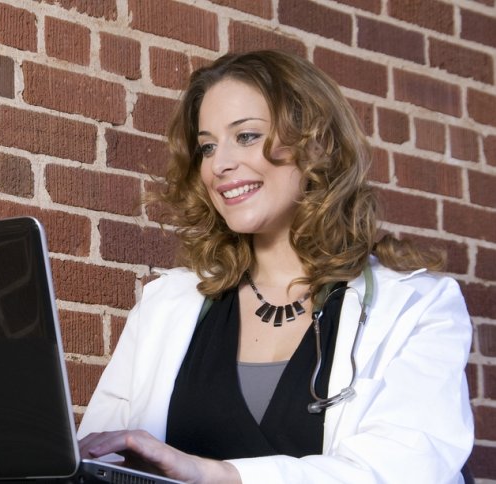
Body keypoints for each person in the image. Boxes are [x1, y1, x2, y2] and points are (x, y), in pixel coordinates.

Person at [77, 50, 474, 483]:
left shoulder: (420, 306)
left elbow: (405, 471)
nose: (219, 164)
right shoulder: (164, 306)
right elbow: (97, 462)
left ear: (316, 144)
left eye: (245, 136)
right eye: (207, 146)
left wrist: (217, 475)